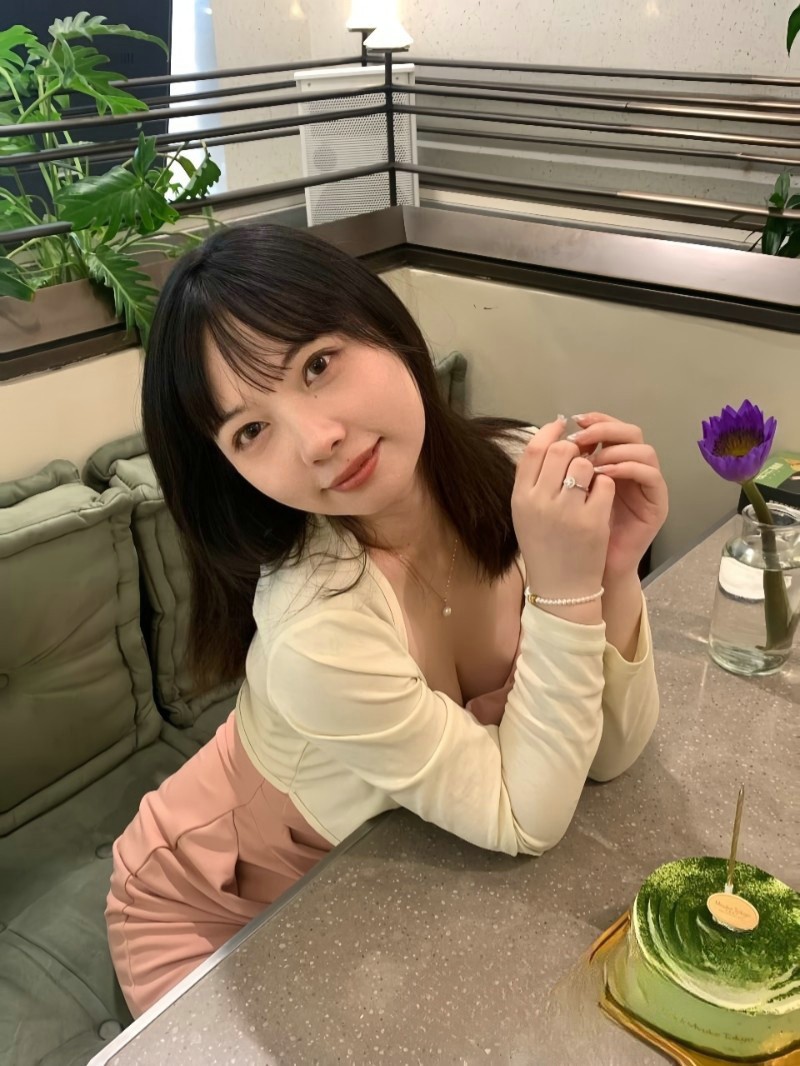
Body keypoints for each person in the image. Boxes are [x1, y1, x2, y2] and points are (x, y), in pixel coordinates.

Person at [106, 223, 667, 1018]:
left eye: (317, 364)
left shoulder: (517, 470)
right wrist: (566, 590)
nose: (319, 441)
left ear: (382, 323)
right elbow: (525, 816)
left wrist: (610, 572)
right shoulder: (315, 630)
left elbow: (608, 754)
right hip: (208, 895)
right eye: (252, 431)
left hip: (371, 870)